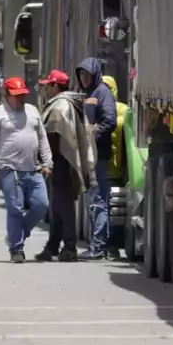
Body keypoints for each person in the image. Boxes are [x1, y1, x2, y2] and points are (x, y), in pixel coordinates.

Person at [0, 76, 52, 264]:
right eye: (17, 95)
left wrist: (47, 162)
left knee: (42, 205)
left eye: (23, 95)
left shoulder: (32, 111)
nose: (21, 99)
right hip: (9, 169)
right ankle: (16, 248)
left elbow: (42, 138)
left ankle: (17, 234)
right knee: (15, 209)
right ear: (7, 95)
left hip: (32, 169)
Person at [34, 70, 95, 262]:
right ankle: (52, 247)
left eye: (48, 85)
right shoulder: (66, 103)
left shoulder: (59, 107)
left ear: (55, 86)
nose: (46, 89)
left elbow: (52, 137)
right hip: (62, 161)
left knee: (63, 206)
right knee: (58, 207)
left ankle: (69, 247)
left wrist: (44, 160)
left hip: (60, 161)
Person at [76, 58, 117, 260]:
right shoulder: (88, 94)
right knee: (94, 199)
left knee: (98, 200)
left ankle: (98, 247)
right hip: (89, 155)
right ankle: (101, 245)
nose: (83, 78)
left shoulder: (102, 92)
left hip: (98, 155)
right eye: (81, 75)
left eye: (87, 74)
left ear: (95, 74)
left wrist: (93, 135)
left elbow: (110, 120)